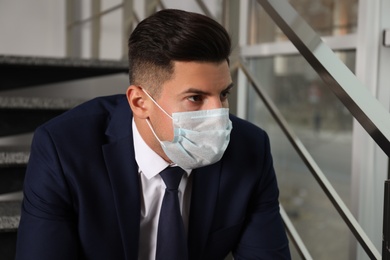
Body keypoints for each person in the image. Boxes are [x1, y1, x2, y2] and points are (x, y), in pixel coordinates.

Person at [15, 9, 291, 260]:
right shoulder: (63, 149)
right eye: (195, 97)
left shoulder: (250, 147)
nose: (219, 115)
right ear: (139, 102)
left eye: (223, 94)